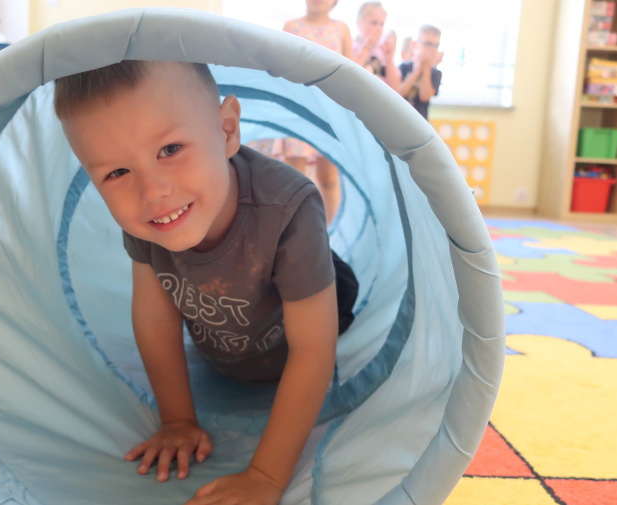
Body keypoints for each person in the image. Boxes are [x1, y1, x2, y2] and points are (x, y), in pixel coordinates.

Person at [54, 60, 358, 505]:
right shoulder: (150, 219)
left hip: (309, 295)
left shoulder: (288, 208)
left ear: (227, 130)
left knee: (322, 291)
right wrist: (177, 420)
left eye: (170, 149)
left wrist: (265, 477)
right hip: (233, 328)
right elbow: (155, 321)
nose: (152, 191)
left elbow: (314, 349)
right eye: (117, 173)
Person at [277, 0, 356, 224]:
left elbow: (350, 75)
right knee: (293, 177)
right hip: (297, 110)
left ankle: (331, 234)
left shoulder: (341, 29)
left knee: (329, 178)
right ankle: (291, 232)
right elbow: (279, 69)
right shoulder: (291, 27)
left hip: (330, 113)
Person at [398, 24, 443, 121]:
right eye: (428, 44)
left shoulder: (436, 73)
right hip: (400, 117)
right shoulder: (404, 67)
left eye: (436, 45)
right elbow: (398, 93)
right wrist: (416, 72)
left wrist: (426, 69)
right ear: (414, 45)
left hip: (421, 121)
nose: (432, 49)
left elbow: (424, 97)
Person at [352, 2, 400, 90]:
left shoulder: (383, 50)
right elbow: (350, 75)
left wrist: (389, 59)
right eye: (374, 23)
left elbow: (396, 88)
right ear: (359, 23)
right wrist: (366, 47)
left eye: (382, 24)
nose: (379, 29)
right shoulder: (352, 47)